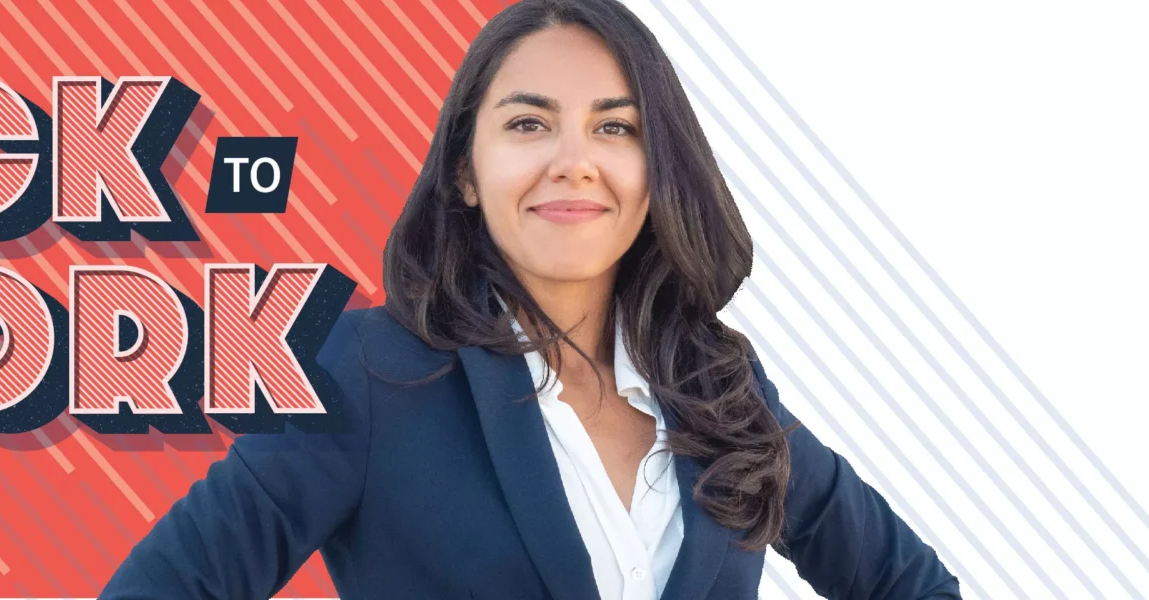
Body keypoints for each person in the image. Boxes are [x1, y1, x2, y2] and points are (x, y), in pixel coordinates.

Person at [102, 0, 958, 597]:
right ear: (466, 174)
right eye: (527, 123)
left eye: (615, 127)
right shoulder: (365, 374)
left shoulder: (720, 387)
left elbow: (905, 584)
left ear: (656, 172)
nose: (574, 160)